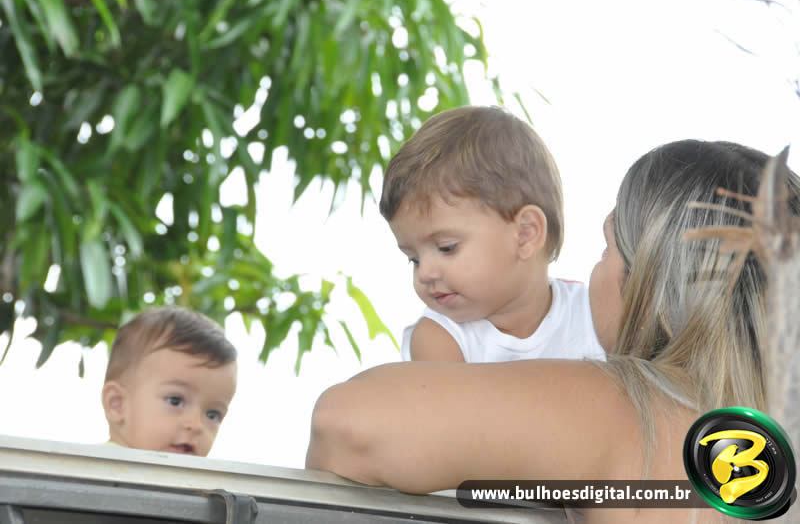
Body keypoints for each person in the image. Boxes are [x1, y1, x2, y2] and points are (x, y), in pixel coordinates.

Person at [306, 140, 800, 523]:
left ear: (648, 281)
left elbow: (347, 425)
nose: (595, 271)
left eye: (607, 249)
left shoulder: (627, 411)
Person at [380, 105, 604, 363]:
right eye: (414, 259)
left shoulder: (595, 314)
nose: (425, 273)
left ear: (525, 234)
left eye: (447, 247)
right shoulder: (439, 337)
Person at [101, 306, 238, 457]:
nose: (196, 425)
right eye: (175, 401)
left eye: (212, 415)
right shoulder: (92, 468)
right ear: (117, 404)